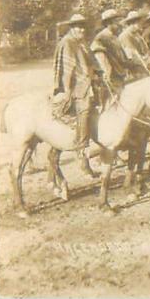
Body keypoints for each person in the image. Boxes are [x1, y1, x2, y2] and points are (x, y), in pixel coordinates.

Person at [52, 13, 98, 177]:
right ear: (71, 27)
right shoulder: (67, 42)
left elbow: (92, 61)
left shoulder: (82, 42)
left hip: (89, 81)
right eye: (78, 26)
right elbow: (66, 70)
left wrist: (99, 72)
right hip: (75, 86)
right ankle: (81, 149)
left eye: (83, 26)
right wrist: (66, 91)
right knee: (84, 111)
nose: (82, 29)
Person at [90, 9, 134, 107]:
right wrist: (107, 74)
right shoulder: (101, 38)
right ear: (108, 23)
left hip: (120, 75)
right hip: (111, 78)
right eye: (116, 22)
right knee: (115, 105)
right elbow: (100, 58)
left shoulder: (114, 37)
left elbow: (121, 57)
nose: (119, 24)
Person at [119, 10, 150, 77]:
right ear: (134, 22)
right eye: (140, 22)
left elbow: (145, 49)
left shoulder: (137, 33)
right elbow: (133, 54)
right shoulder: (125, 36)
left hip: (147, 64)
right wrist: (146, 65)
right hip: (139, 69)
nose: (142, 24)